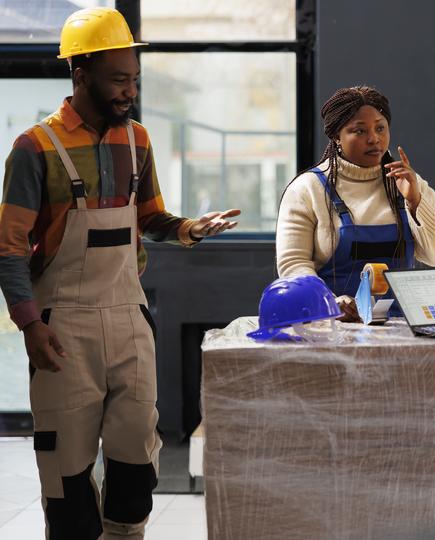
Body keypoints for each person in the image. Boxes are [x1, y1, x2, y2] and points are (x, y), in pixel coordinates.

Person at [0, 8, 239, 538]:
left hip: (129, 320)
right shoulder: (33, 150)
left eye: (134, 79)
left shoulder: (138, 141)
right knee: (66, 472)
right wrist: (30, 325)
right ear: (80, 74)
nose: (129, 90)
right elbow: (10, 248)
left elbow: (149, 218)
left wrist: (188, 229)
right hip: (63, 327)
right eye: (118, 79)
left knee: (136, 463)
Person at [276, 86, 435, 321]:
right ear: (337, 137)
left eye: (380, 128)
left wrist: (415, 201)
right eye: (359, 131)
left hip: (403, 330)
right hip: (332, 325)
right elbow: (293, 264)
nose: (374, 138)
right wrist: (329, 301)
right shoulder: (307, 189)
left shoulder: (409, 185)